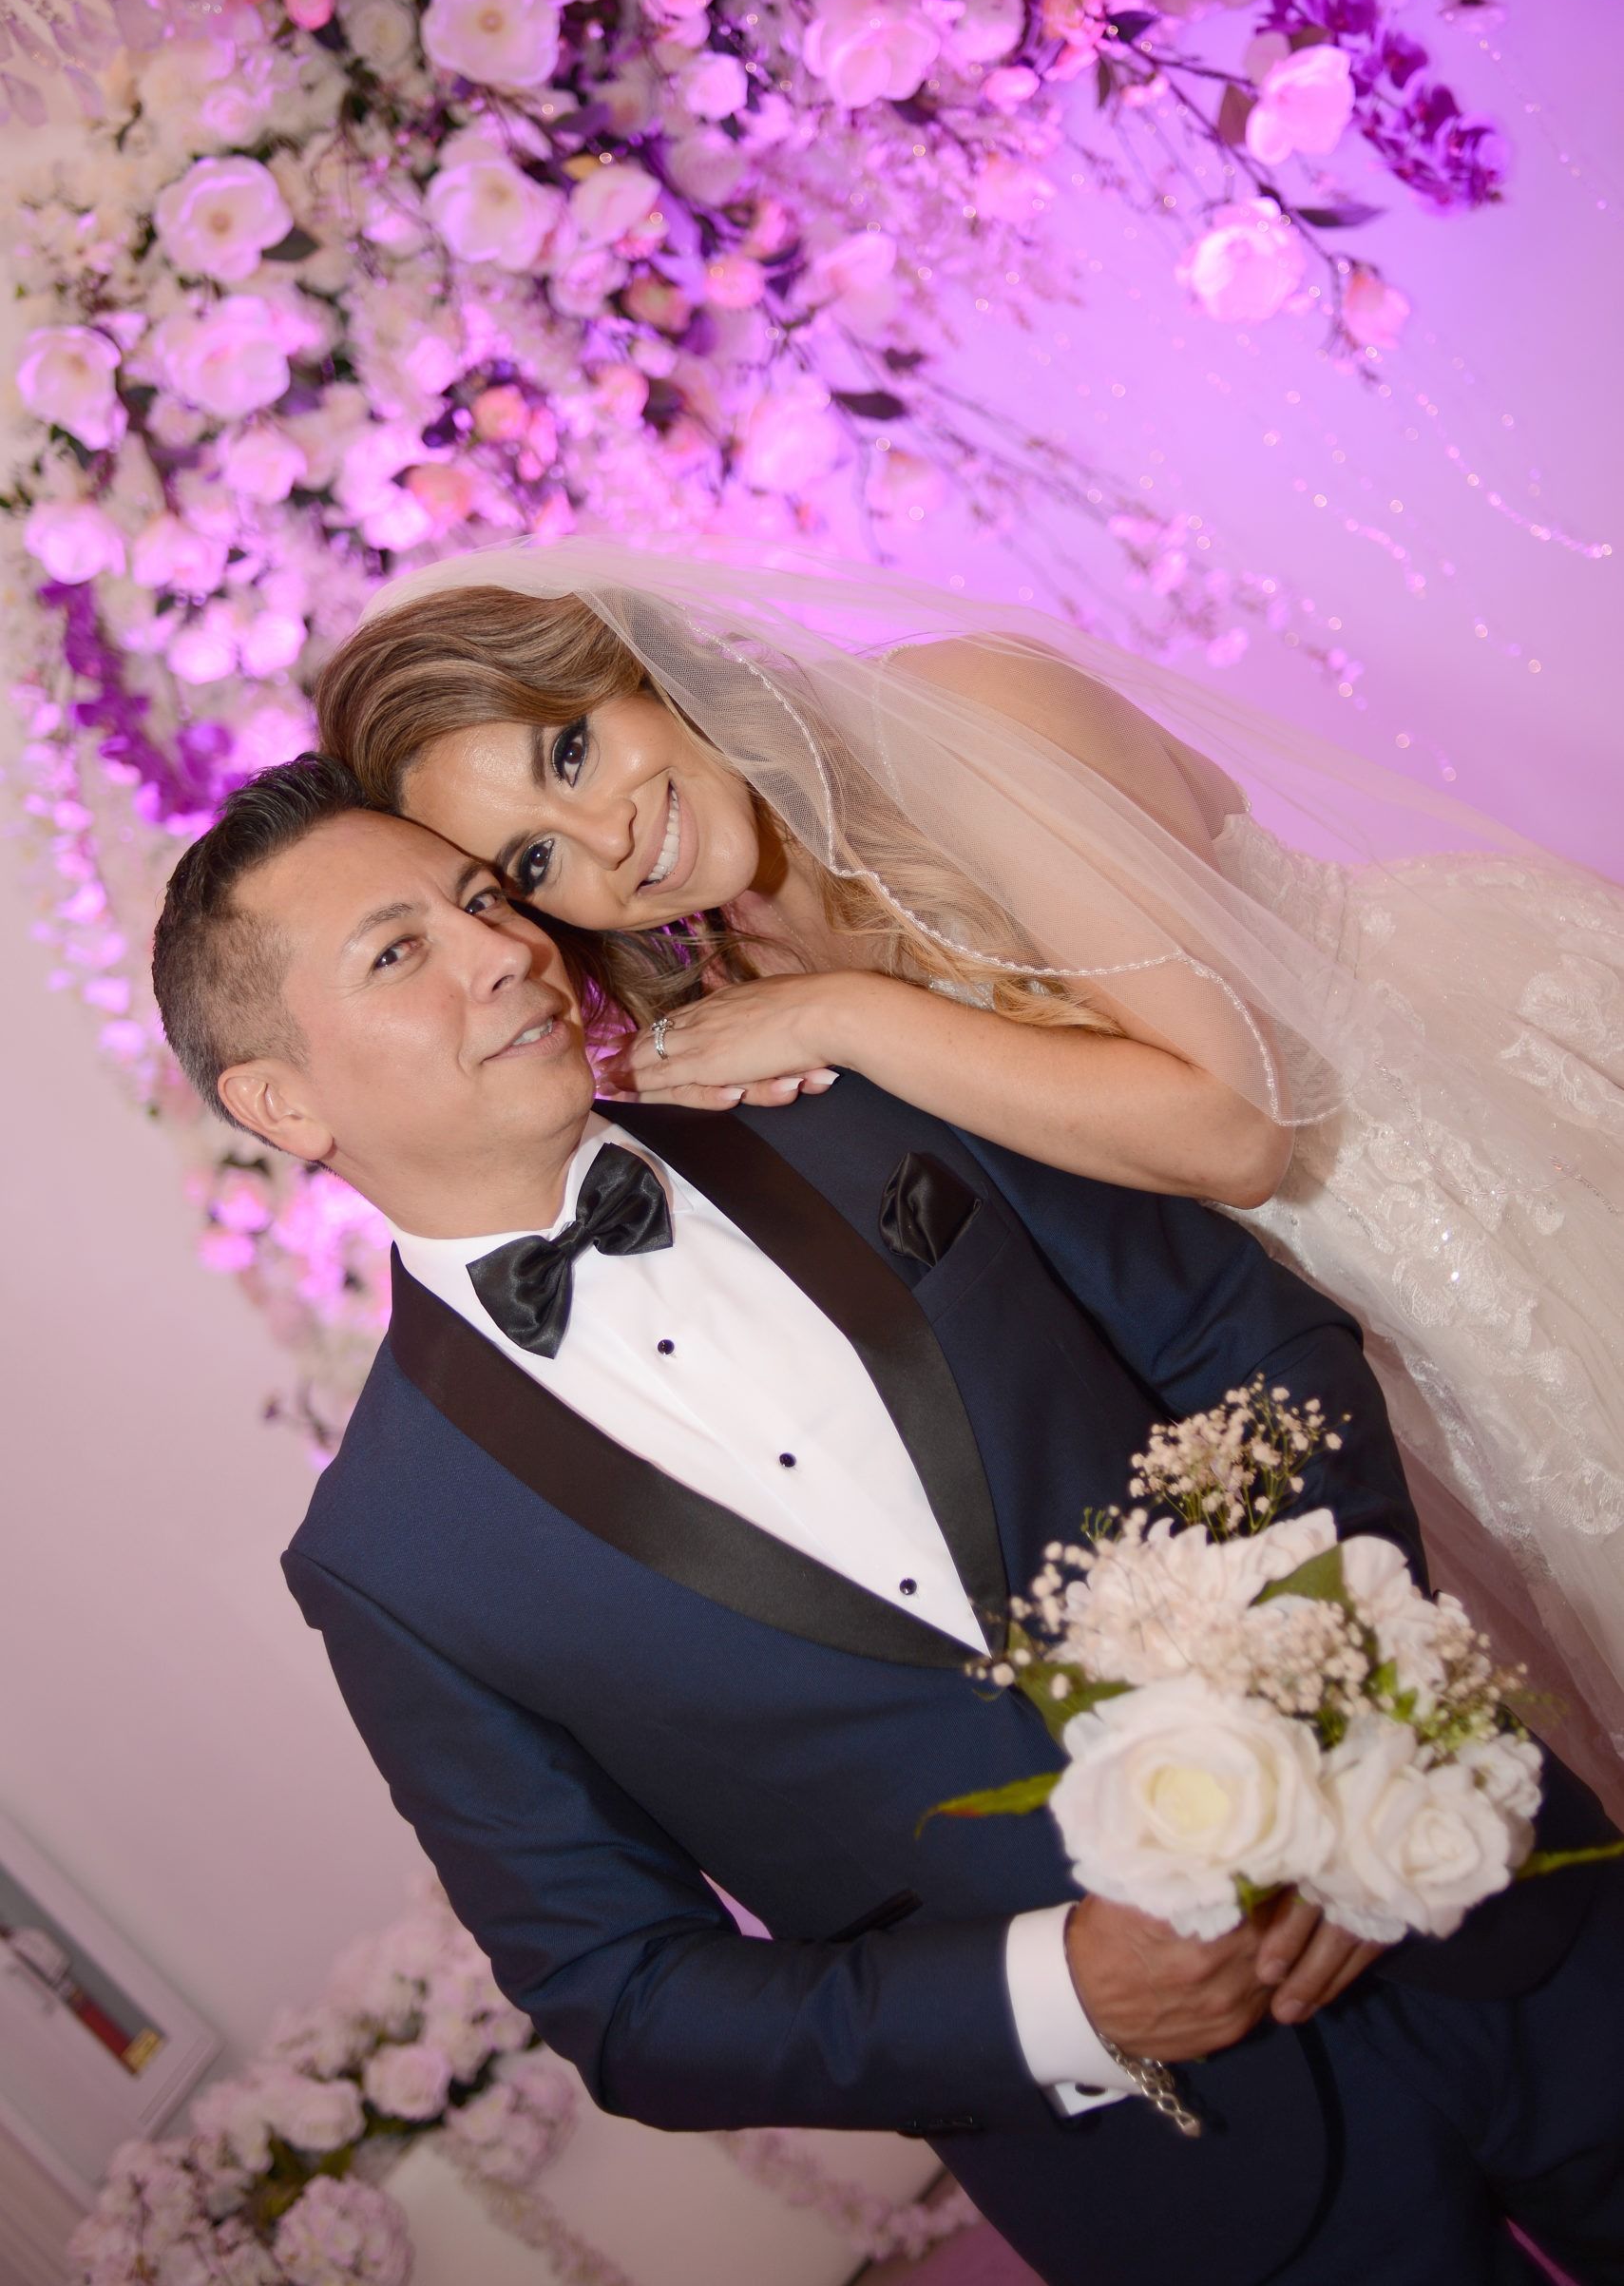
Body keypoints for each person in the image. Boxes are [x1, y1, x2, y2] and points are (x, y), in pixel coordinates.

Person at [150, 756, 1623, 2286]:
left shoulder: (862, 1097)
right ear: (281, 1100)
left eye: (480, 901)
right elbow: (621, 1995)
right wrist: (1063, 1997)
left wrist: (1327, 1720)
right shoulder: (389, 1558)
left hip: (1483, 1900)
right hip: (1186, 2179)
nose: (504, 949)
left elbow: (1248, 1343)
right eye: (400, 953)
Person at [314, 537, 1624, 1806]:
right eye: (535, 862)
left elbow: (1239, 1128)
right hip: (1321, 1327)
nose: (607, 843)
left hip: (1471, 1154)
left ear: (634, 664)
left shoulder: (965, 714)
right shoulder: (735, 971)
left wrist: (845, 1015)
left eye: (572, 749)